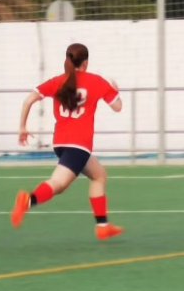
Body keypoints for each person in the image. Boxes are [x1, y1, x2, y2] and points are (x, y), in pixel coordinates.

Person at [10, 42, 124, 239]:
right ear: (85, 63)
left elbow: (28, 99)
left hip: (61, 143)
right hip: (79, 145)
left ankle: (103, 226)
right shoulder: (97, 81)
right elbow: (118, 107)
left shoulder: (58, 81)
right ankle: (27, 201)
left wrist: (22, 127)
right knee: (58, 184)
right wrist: (115, 89)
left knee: (99, 175)